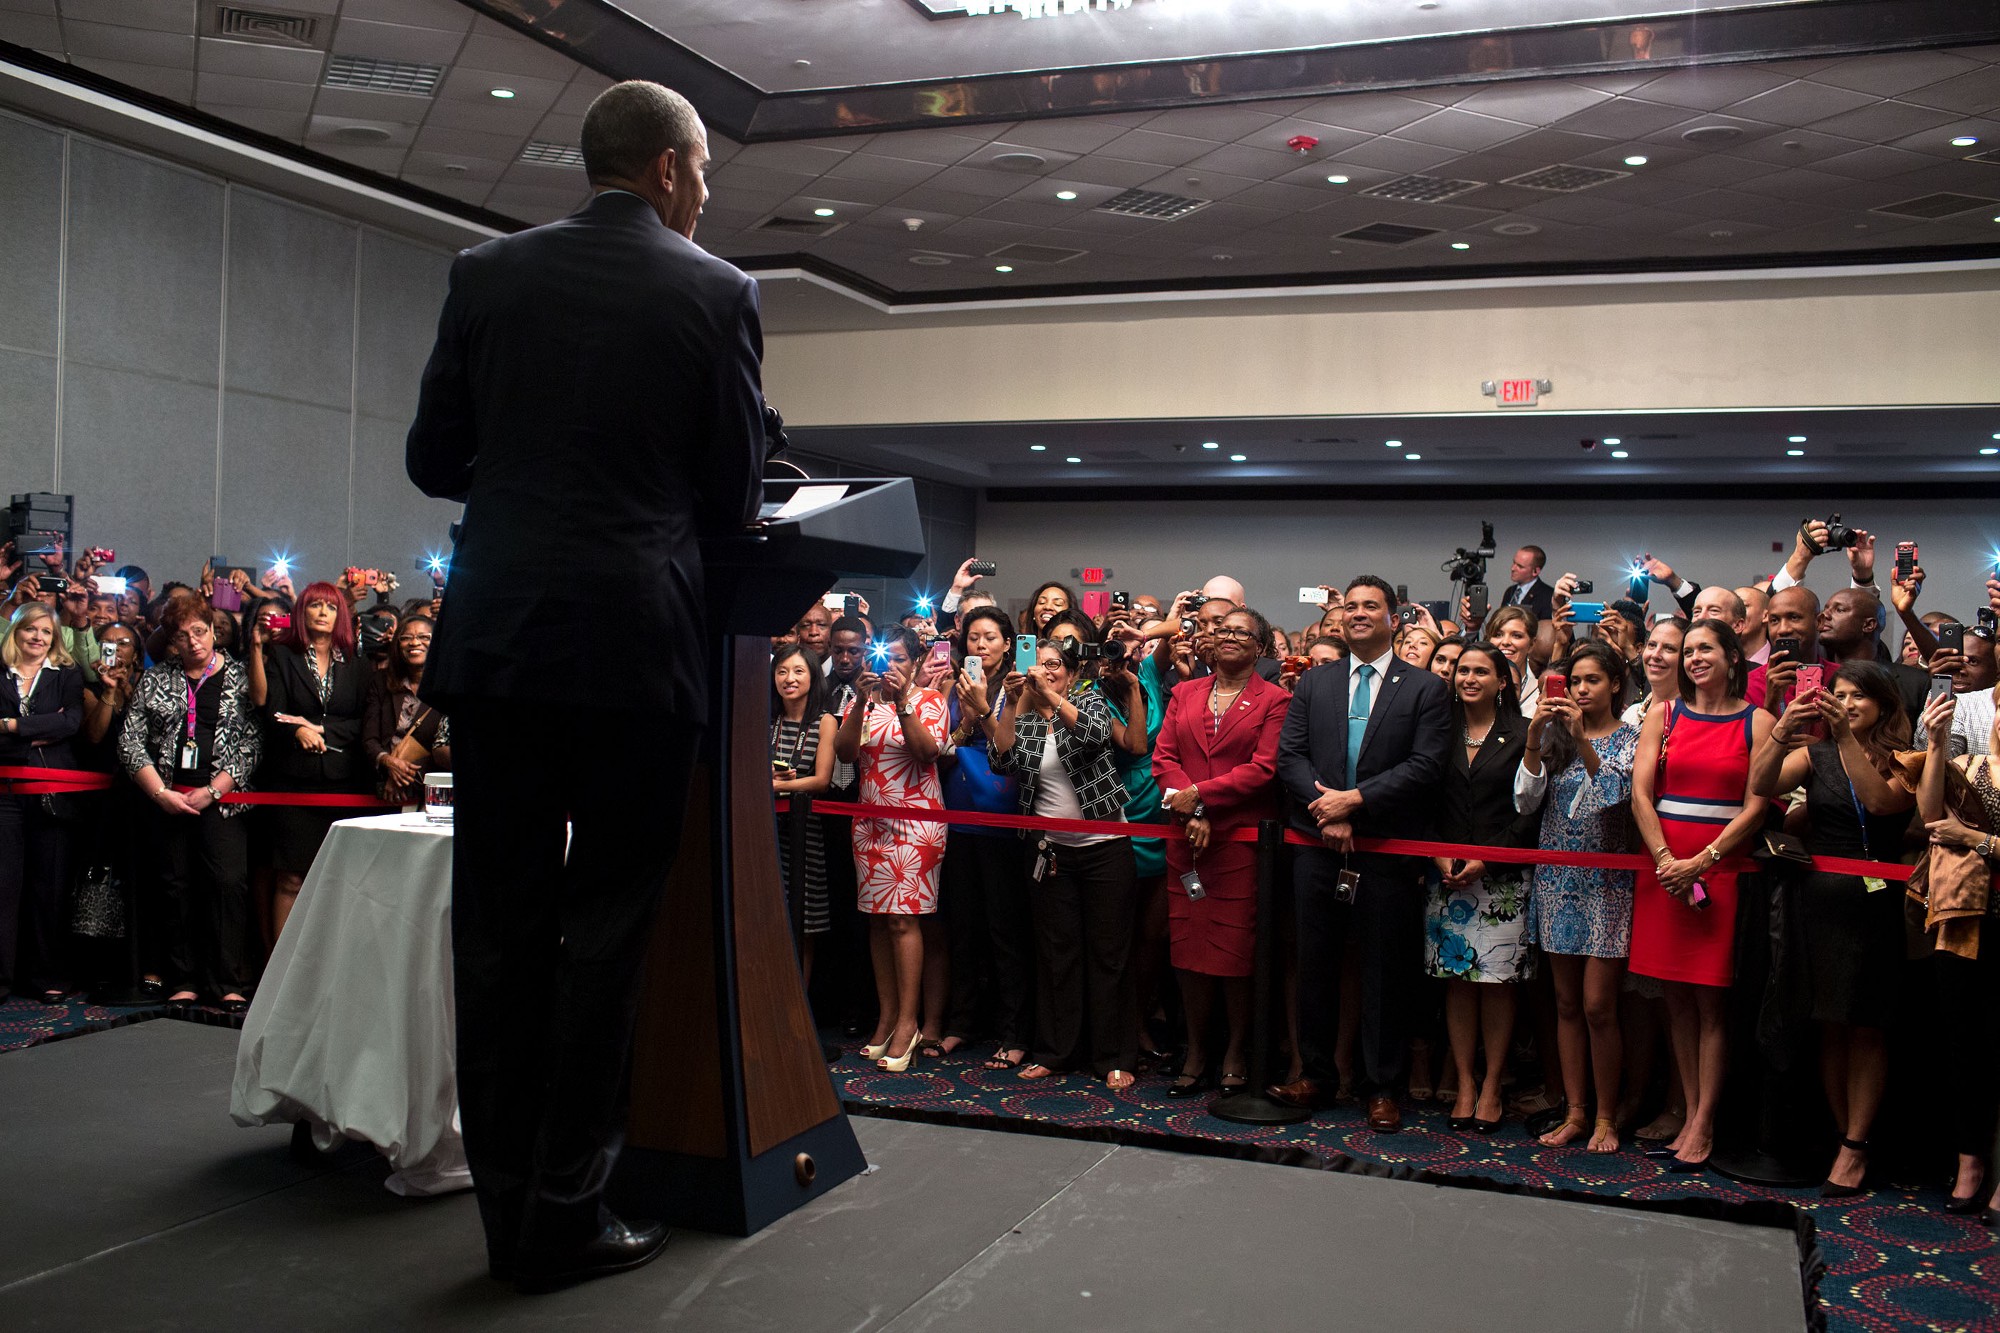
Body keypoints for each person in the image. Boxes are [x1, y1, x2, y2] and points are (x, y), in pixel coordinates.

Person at [406, 80, 765, 1289]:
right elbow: (729, 491)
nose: (708, 192)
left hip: (499, 641)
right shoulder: (716, 292)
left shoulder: (483, 272)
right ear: (666, 168)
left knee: (497, 932)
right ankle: (570, 1210)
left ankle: (507, 1215)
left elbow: (431, 459)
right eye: (704, 170)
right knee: (604, 932)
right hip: (633, 651)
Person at [1272, 576, 1451, 1130]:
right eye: (1350, 607)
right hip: (1318, 845)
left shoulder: (1424, 688)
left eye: (1370, 606)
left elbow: (1425, 766)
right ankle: (1317, 1077)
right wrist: (1327, 809)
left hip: (1385, 850)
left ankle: (1381, 1086)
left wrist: (1355, 801)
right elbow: (1290, 757)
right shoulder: (1315, 683)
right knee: (1315, 965)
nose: (1357, 614)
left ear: (1394, 619)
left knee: (1383, 972)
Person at [1749, 661, 1914, 1196]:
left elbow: (1881, 801)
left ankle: (1857, 1146)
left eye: (1857, 696)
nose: (1844, 702)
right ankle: (1842, 1135)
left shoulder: (1906, 757)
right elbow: (1760, 783)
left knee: (1865, 1025)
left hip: (1873, 909)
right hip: (1814, 905)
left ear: (1884, 704)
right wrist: (1780, 728)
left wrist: (1843, 737)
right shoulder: (1813, 754)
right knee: (1828, 1021)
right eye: (1837, 694)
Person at [1629, 619, 1773, 1171]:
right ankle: (1688, 1110)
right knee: (1675, 1000)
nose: (1692, 659)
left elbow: (1757, 807)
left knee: (1713, 1003)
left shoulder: (1758, 721)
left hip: (1719, 872)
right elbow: (1642, 794)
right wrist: (1667, 860)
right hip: (1664, 870)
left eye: (1704, 649)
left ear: (1733, 657)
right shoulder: (1662, 715)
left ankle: (1706, 1119)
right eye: (1687, 651)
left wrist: (1702, 862)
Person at [985, 636, 1139, 1090]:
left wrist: (1050, 695)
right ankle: (1056, 1052)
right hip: (1050, 852)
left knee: (1109, 955)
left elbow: (1092, 736)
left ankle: (1113, 1055)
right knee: (1057, 956)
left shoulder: (1089, 700)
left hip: (1105, 847)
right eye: (1038, 663)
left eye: (1055, 665)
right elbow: (999, 760)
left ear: (1072, 674)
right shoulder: (1025, 713)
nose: (1044, 670)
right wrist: (1012, 704)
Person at [1151, 606, 1290, 1097]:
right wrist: (1189, 810)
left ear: (1260, 646)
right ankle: (1196, 1048)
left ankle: (1236, 1049)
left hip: (1240, 846)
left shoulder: (1276, 700)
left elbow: (1264, 768)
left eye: (1241, 632)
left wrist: (1203, 800)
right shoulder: (1184, 692)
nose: (1229, 637)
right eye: (1222, 629)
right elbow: (1163, 756)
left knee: (1235, 956)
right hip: (1186, 843)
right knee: (1187, 953)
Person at [1516, 641, 1638, 1151]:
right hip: (1557, 879)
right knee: (1565, 1003)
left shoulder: (1631, 736)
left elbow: (1614, 797)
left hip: (1607, 884)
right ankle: (1575, 1112)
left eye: (1592, 680)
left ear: (1614, 685)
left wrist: (1583, 739)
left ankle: (1607, 1116)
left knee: (1598, 1006)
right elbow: (1525, 803)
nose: (1582, 689)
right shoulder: (1553, 738)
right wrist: (1533, 738)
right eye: (1575, 681)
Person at [116, 592, 261, 1012]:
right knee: (175, 887)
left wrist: (214, 789)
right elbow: (130, 740)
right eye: (183, 636)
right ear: (172, 642)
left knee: (228, 884)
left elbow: (252, 742)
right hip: (166, 797)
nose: (194, 642)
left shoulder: (238, 675)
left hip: (223, 798)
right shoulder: (157, 678)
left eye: (201, 631)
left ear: (214, 631)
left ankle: (229, 981)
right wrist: (159, 792)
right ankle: (184, 978)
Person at [1425, 640, 1538, 1132]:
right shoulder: (1437, 731)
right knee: (1457, 982)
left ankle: (1492, 1084)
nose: (1468, 678)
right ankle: (1465, 1083)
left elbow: (1531, 811)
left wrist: (1487, 859)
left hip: (1502, 880)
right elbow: (1421, 794)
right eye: (1462, 671)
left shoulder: (1524, 734)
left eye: (1480, 672)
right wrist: (1435, 852)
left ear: (1502, 681)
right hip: (1445, 875)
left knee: (1495, 985)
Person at [833, 627, 949, 1073]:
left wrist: (901, 704)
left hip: (917, 822)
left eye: (900, 659)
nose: (890, 666)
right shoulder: (856, 701)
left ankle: (908, 1022)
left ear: (917, 663)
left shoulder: (930, 702)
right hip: (870, 823)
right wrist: (862, 704)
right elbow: (845, 755)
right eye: (883, 657)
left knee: (904, 919)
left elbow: (926, 753)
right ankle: (885, 1016)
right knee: (878, 922)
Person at [1909, 691, 2000, 1215]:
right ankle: (1969, 1162)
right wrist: (1938, 743)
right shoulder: (1971, 765)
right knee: (1964, 1045)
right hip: (1964, 921)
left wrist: (1976, 839)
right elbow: (1928, 816)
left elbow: (1960, 834)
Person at [941, 607, 1032, 1069]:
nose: (980, 645)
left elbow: (1011, 753)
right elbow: (940, 747)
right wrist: (964, 716)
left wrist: (982, 710)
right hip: (958, 814)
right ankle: (961, 1023)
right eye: (973, 637)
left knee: (1004, 930)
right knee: (962, 928)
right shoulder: (950, 685)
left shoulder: (1018, 687)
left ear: (1007, 644)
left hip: (1000, 816)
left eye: (990, 637)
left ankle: (1013, 1032)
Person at [257, 582, 370, 940]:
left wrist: (317, 727)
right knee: (290, 878)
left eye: (331, 606)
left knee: (342, 880)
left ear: (341, 615)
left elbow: (364, 720)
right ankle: (281, 976)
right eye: (315, 605)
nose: (323, 612)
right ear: (301, 612)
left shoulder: (357, 663)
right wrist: (295, 732)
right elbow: (271, 713)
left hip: (344, 783)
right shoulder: (281, 655)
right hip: (292, 782)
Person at [0, 603, 84, 1003]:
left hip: (53, 793)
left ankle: (45, 974)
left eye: (46, 632)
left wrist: (12, 726)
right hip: (5, 797)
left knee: (48, 887)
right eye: (30, 630)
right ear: (15, 632)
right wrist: (36, 733)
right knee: (5, 886)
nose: (37, 637)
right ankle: (4, 978)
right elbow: (56, 724)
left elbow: (71, 724)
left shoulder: (66, 675)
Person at [770, 644, 835, 971]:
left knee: (804, 923)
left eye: (798, 671)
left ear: (813, 676)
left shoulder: (824, 722)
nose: (789, 679)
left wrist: (777, 786)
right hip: (764, 829)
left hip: (804, 832)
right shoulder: (767, 719)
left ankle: (799, 1007)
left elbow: (821, 780)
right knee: (767, 917)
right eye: (782, 671)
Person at [362, 615, 442, 804]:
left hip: (429, 790)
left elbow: (444, 746)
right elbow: (369, 738)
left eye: (424, 637)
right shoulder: (381, 681)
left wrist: (402, 774)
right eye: (406, 638)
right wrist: (389, 763)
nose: (415, 642)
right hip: (382, 787)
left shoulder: (445, 686)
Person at [1624, 617, 1685, 726]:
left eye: (1669, 648)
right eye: (1652, 645)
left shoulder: (1694, 718)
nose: (1655, 655)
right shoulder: (1631, 714)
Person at [1502, 545, 1554, 619]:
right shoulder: (1510, 591)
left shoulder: (1548, 595)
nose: (1512, 568)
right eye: (1514, 563)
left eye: (1520, 566)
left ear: (1535, 571)